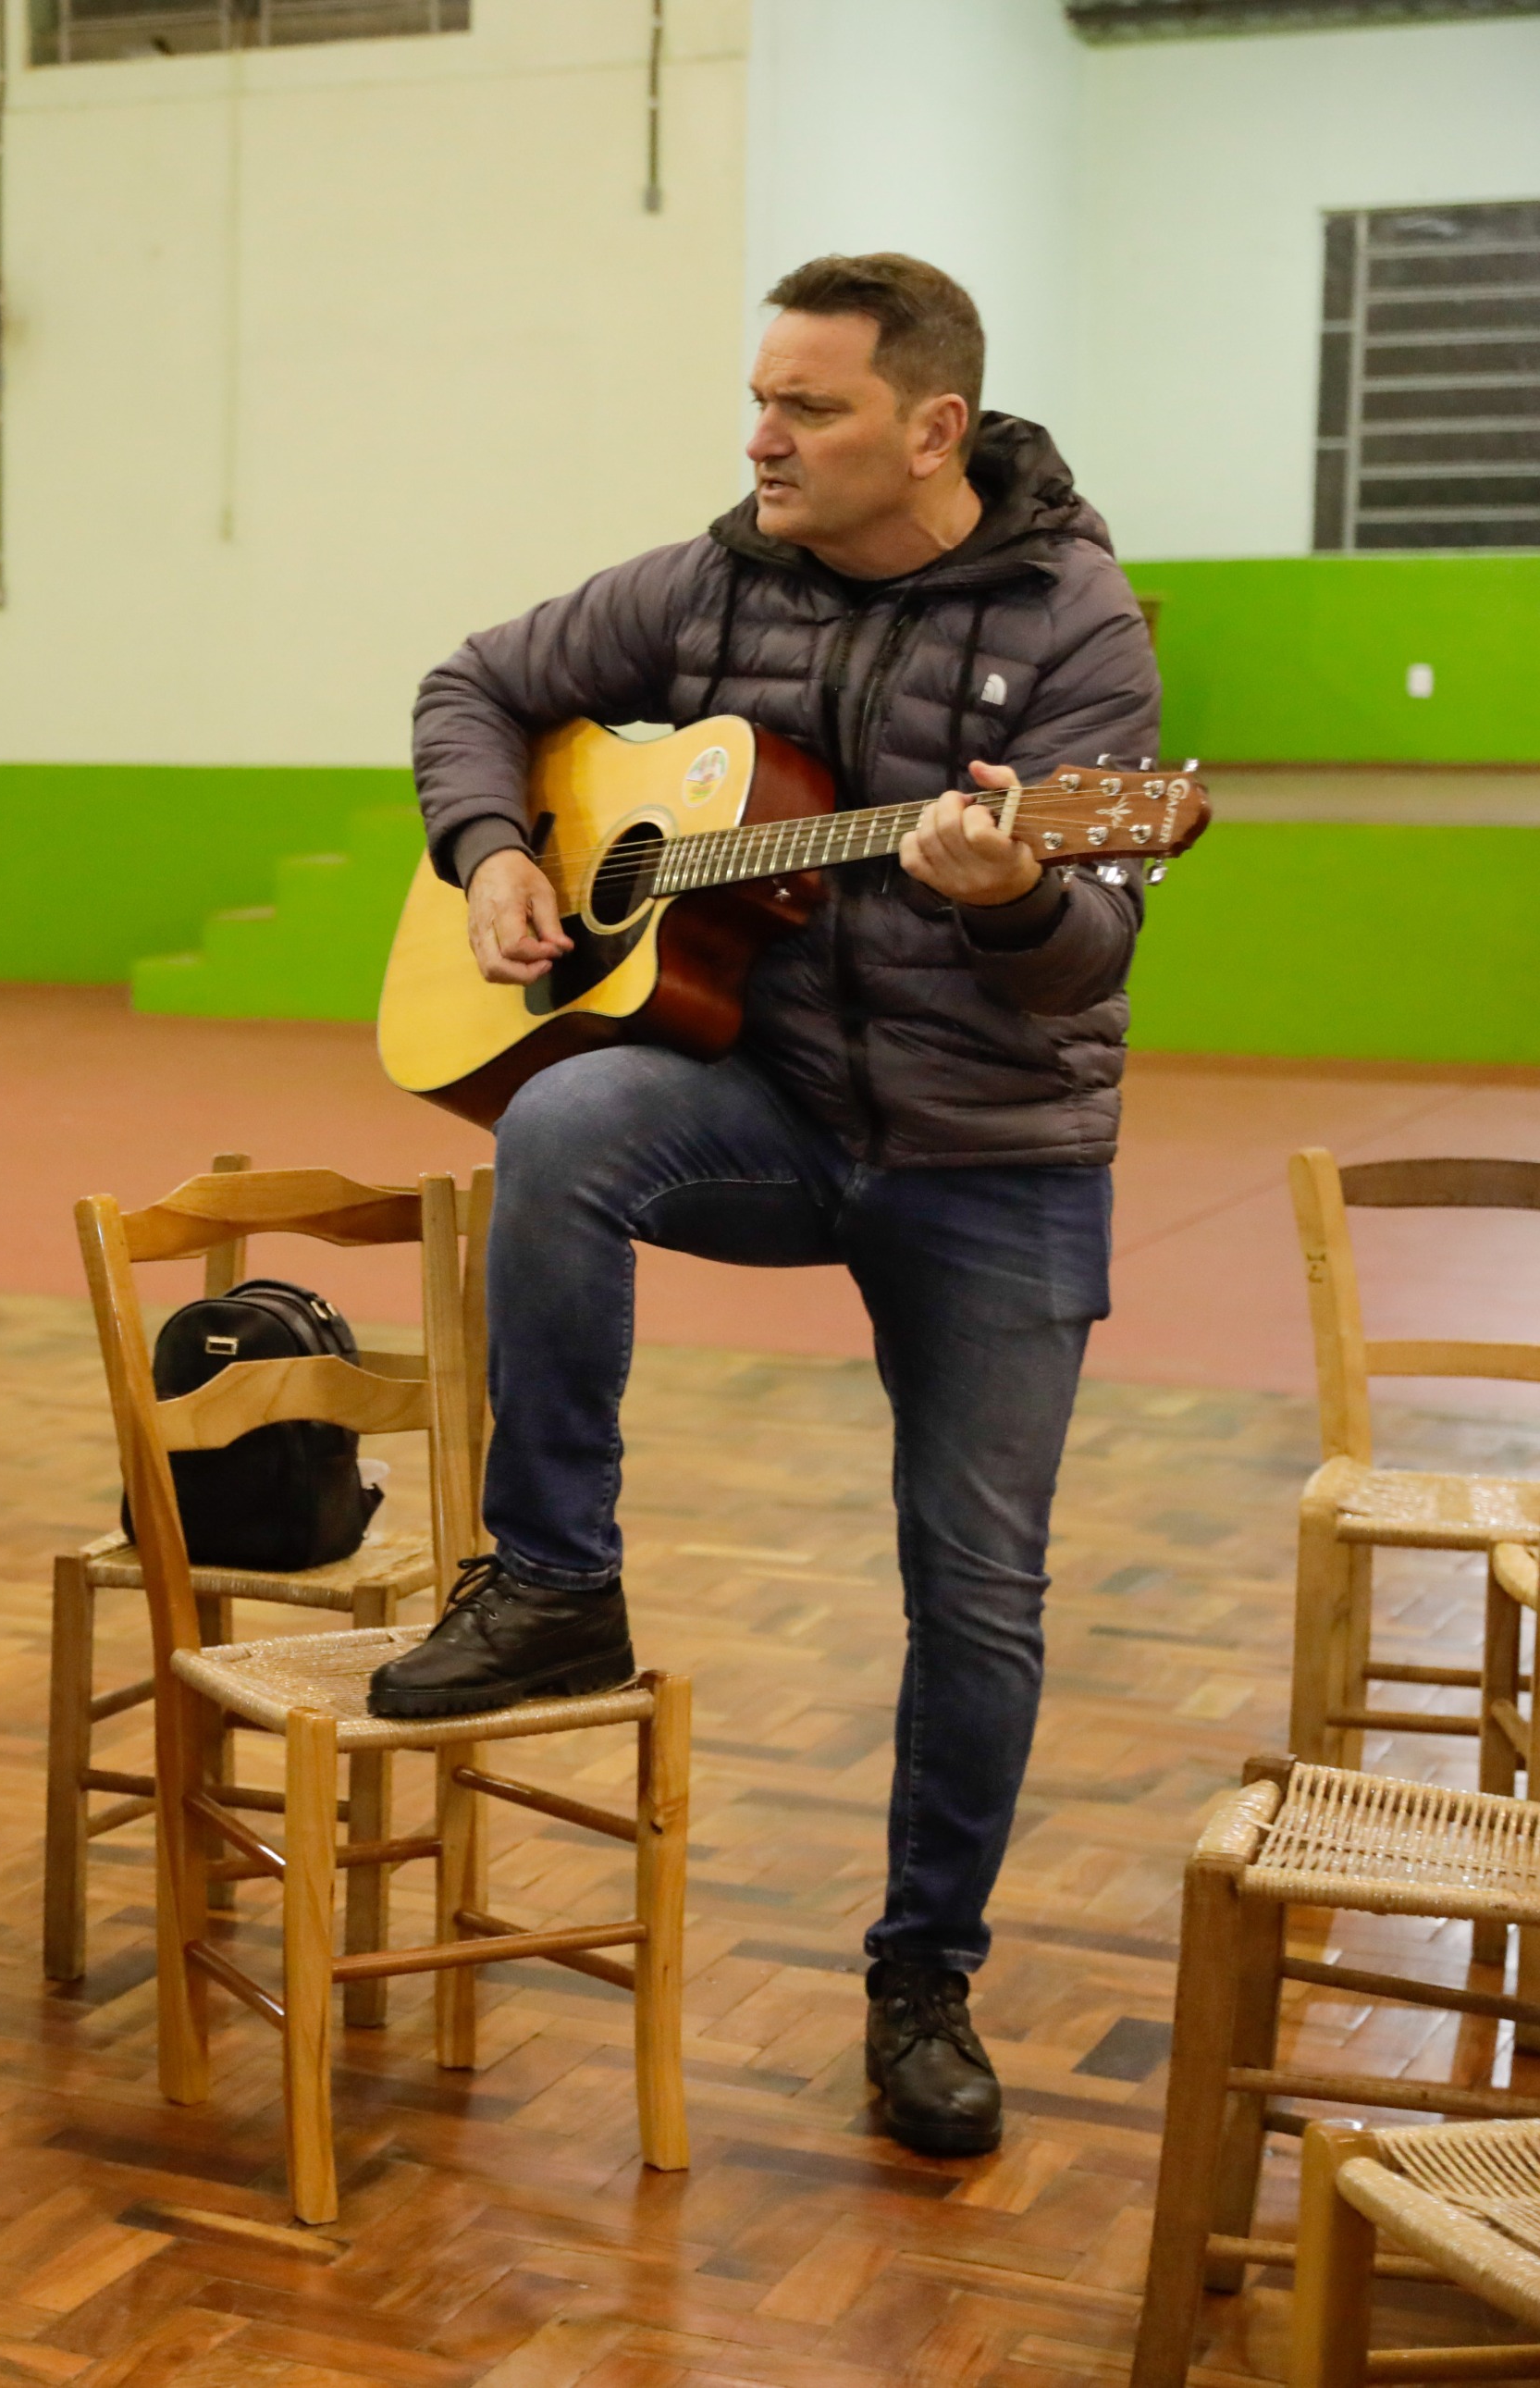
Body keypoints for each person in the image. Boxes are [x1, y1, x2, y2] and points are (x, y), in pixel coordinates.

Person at [386, 254, 1160, 2159]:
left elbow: (1087, 962)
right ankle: (555, 1579)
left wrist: (1009, 888)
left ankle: (922, 1984)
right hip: (777, 1109)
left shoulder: (1078, 623)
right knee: (562, 1116)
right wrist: (491, 853)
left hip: (996, 1159)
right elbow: (473, 682)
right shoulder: (712, 576)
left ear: (929, 428)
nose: (761, 438)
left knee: (976, 1596)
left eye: (804, 408)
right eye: (760, 397)